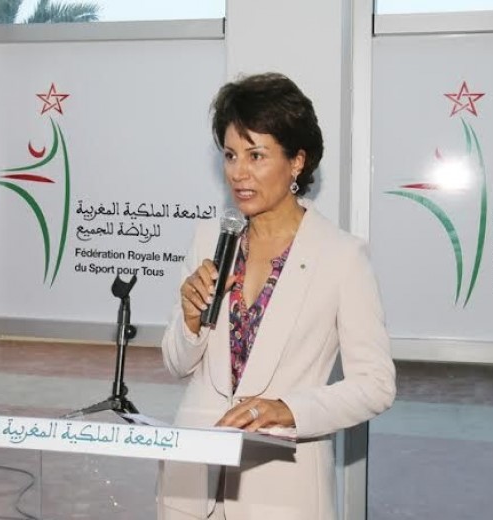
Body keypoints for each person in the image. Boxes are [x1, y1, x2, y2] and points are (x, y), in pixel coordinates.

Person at [157, 72, 396, 520]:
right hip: (191, 487)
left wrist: (288, 410)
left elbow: (376, 386)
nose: (238, 172)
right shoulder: (209, 239)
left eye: (256, 155)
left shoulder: (341, 257)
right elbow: (176, 364)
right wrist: (189, 320)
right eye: (230, 155)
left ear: (297, 161)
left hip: (281, 495)